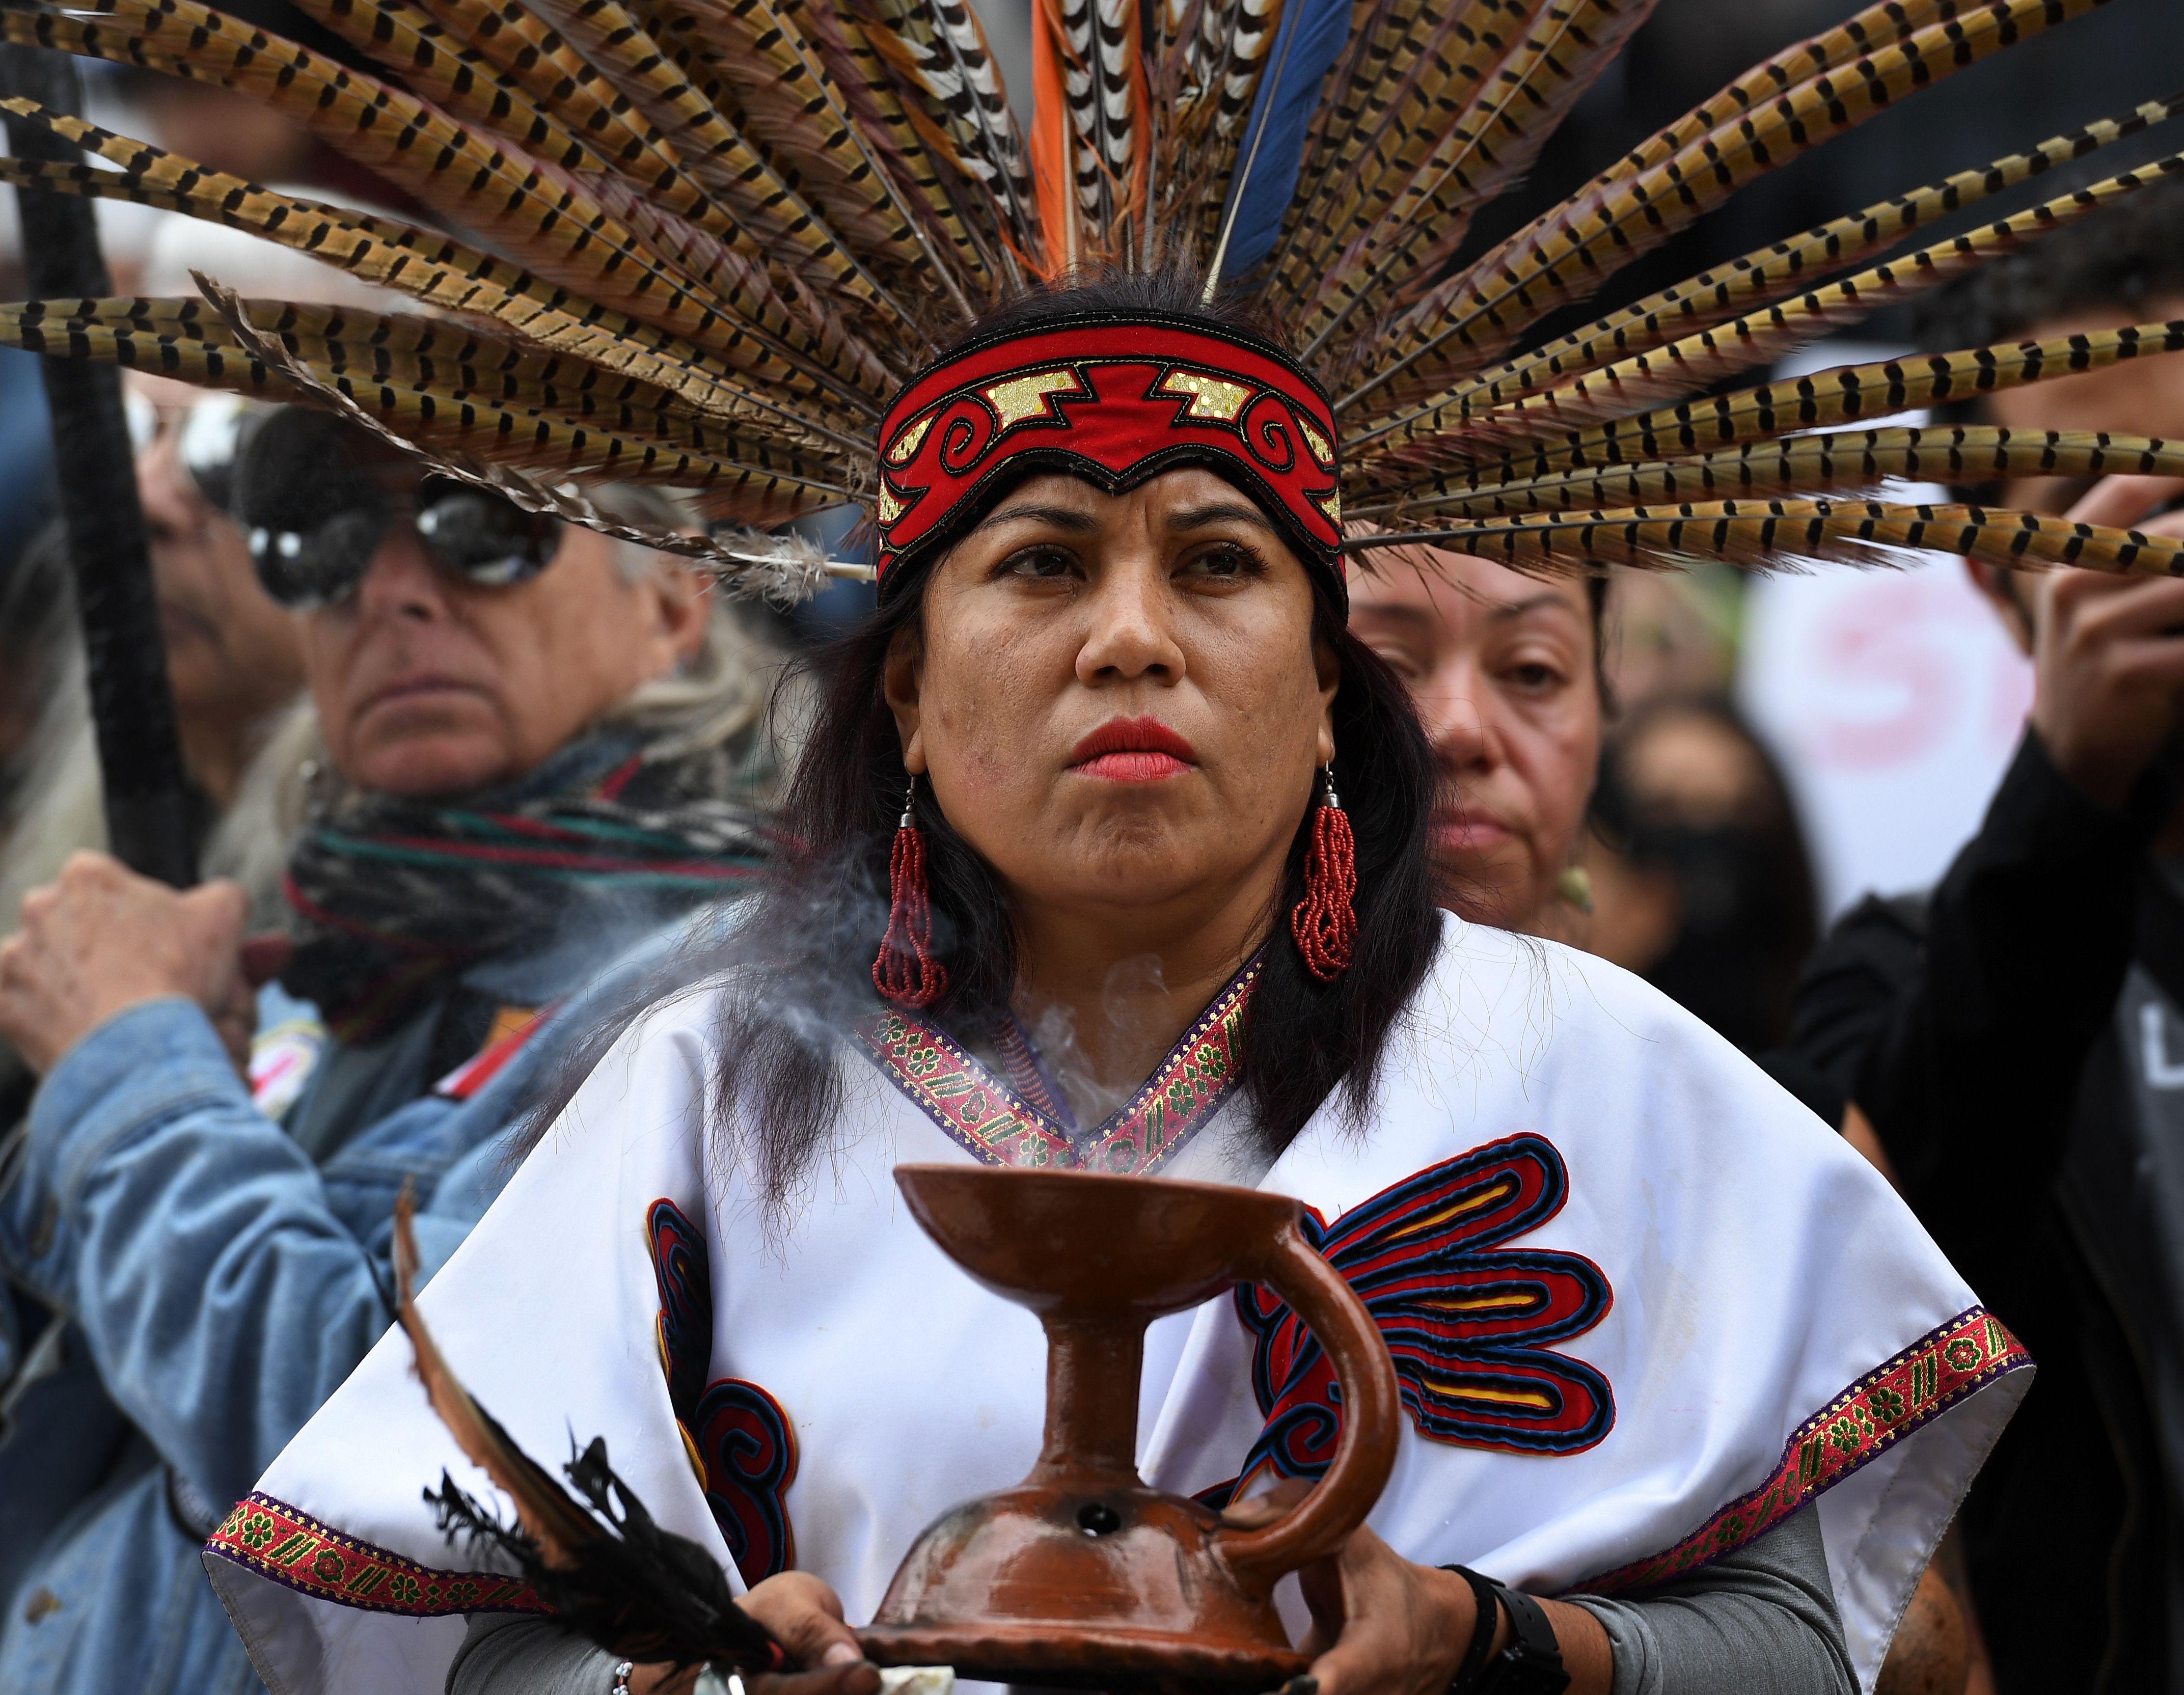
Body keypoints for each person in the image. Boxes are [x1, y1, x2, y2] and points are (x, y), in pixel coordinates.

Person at [204, 277, 2025, 1695]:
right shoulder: (701, 1090)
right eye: (1044, 560)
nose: (1132, 632)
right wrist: (683, 1670)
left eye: (1219, 563)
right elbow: (440, 1612)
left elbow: (1839, 1642)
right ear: (908, 689)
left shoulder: (1596, 1064)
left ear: (1326, 685)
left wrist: (1496, 1642)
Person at [0, 403, 788, 1695]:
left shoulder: (716, 994)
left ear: (676, 600)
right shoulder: (319, 969)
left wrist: (132, 1075)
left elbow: (393, 1475)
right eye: (327, 536)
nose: (390, 589)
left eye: (484, 522)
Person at [1782, 178, 2184, 1693]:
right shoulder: (1901, 973)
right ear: (1988, 570)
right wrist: (2071, 797)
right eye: (2108, 508)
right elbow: (1902, 1304)